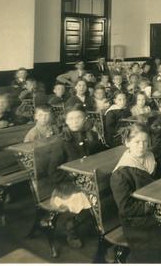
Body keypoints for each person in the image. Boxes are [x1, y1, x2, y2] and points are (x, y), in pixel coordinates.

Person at [110, 124, 161, 263]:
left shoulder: (151, 157)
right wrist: (152, 205)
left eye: (145, 141)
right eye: (137, 142)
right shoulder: (121, 174)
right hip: (137, 221)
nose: (141, 146)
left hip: (159, 207)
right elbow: (126, 209)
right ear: (127, 143)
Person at [48, 105, 105, 248]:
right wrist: (72, 175)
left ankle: (97, 221)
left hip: (85, 179)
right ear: (66, 121)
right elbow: (53, 172)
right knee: (88, 194)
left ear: (84, 119)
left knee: (104, 186)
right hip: (66, 184)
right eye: (71, 118)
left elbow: (98, 152)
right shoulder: (62, 141)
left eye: (79, 117)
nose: (75, 121)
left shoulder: (87, 134)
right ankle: (71, 227)